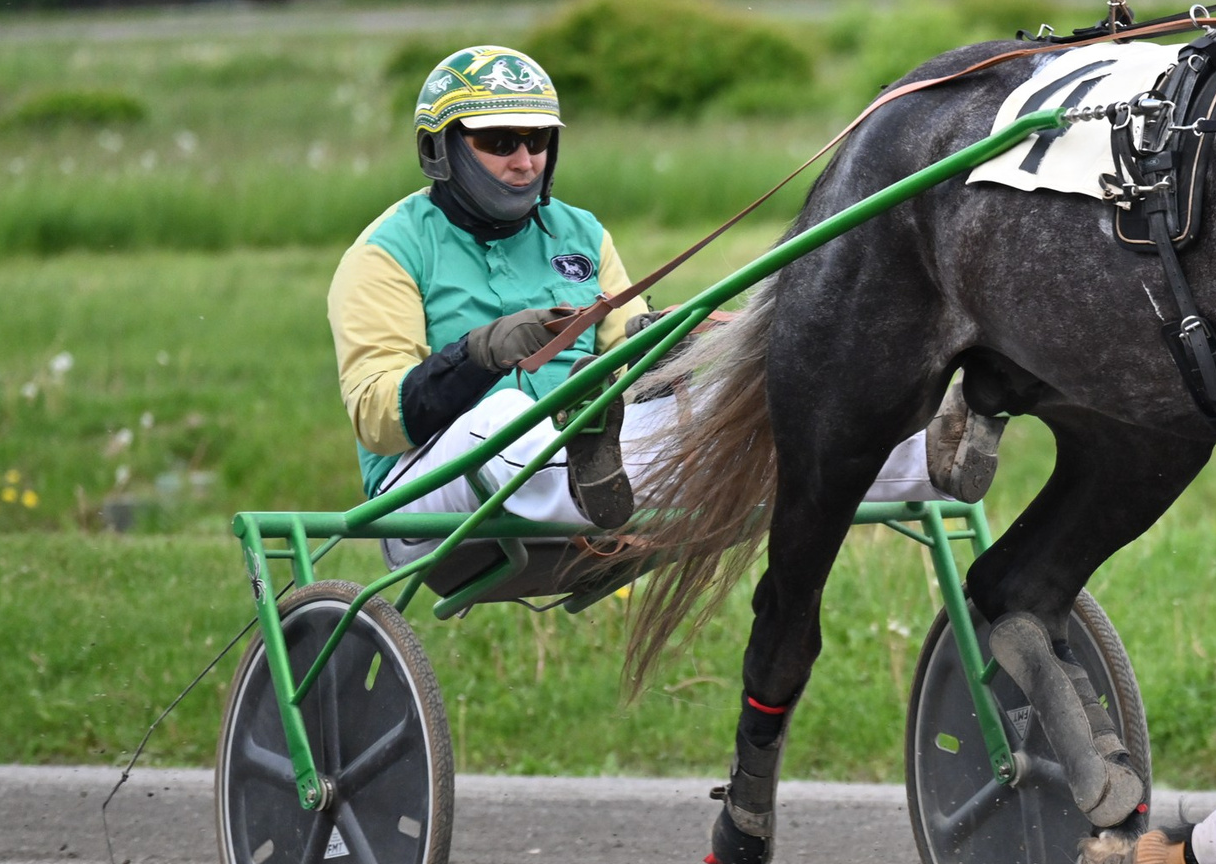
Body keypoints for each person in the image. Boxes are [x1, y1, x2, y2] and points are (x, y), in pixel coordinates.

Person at [329, 44, 994, 547]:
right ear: (439, 151)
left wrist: (672, 338)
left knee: (740, 400)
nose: (525, 160)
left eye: (537, 141)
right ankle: (582, 477)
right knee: (498, 415)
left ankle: (926, 457)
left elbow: (624, 362)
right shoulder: (388, 251)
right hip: (428, 489)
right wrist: (480, 353)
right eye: (501, 143)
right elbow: (377, 418)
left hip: (591, 466)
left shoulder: (580, 234)